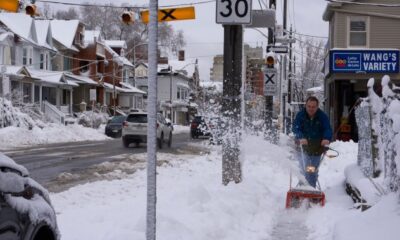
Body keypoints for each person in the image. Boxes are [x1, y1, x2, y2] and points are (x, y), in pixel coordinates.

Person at [292, 96, 332, 188]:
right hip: (302, 148)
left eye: (313, 107)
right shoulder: (300, 115)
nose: (311, 109)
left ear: (317, 107)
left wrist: (326, 138)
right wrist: (300, 137)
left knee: (311, 170)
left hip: (316, 149)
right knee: (303, 170)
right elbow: (295, 127)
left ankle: (311, 190)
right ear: (306, 105)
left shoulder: (322, 116)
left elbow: (327, 129)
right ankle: (302, 189)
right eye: (309, 106)